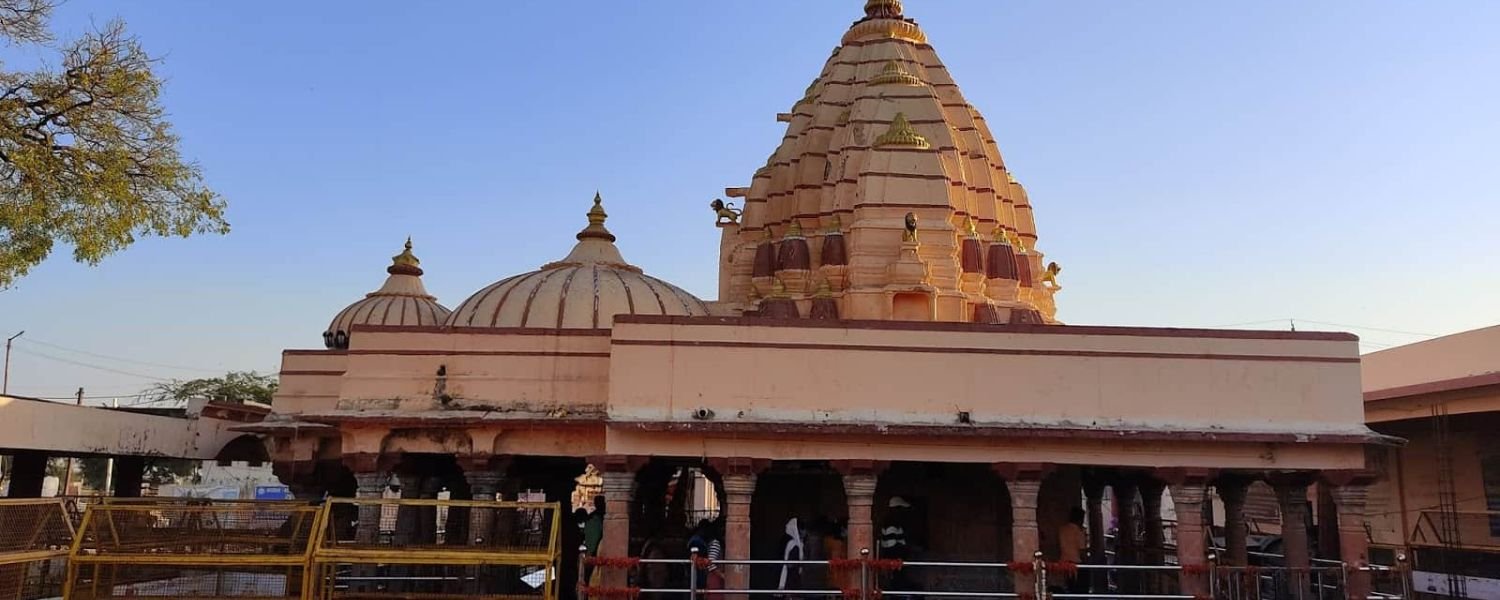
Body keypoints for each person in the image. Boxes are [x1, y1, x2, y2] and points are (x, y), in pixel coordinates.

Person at [1057, 507, 1088, 594]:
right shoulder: (1078, 531)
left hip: (1064, 562)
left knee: (1069, 587)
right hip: (1076, 564)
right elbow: (1082, 551)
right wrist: (1087, 563)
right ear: (1079, 519)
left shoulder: (1062, 529)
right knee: (1079, 589)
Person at [778, 517, 805, 595]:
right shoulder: (793, 545)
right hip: (791, 578)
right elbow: (791, 564)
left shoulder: (799, 544)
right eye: (802, 529)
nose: (804, 532)